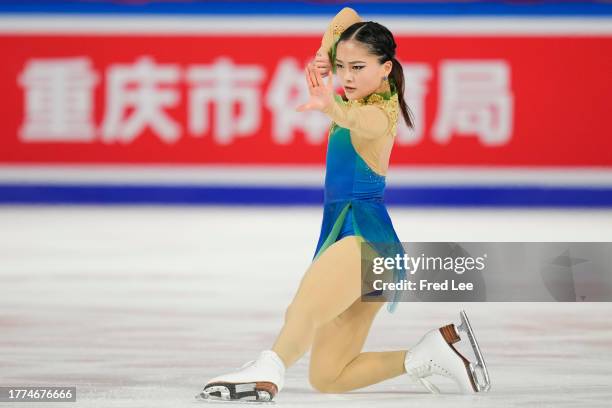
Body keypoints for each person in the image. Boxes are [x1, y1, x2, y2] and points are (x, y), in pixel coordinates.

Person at [198, 7, 491, 402]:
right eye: (341, 67)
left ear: (386, 68)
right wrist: (325, 51)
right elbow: (347, 13)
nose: (347, 76)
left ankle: (268, 369)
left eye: (358, 67)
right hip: (372, 251)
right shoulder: (361, 96)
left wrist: (332, 106)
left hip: (365, 243)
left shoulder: (378, 115)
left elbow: (360, 122)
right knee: (329, 375)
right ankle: (429, 355)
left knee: (304, 308)